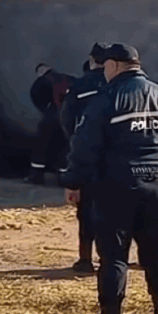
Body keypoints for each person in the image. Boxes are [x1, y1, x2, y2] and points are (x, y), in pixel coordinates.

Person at [58, 43, 158, 314]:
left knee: (114, 257)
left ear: (115, 66)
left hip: (117, 186)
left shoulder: (106, 100)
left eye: (105, 66)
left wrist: (73, 181)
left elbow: (85, 146)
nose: (103, 71)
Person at [59, 43, 108, 273]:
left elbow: (66, 119)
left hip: (88, 156)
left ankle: (85, 259)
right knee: (115, 211)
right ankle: (112, 258)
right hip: (116, 157)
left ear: (91, 59)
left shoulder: (79, 86)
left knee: (86, 211)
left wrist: (75, 142)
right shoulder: (119, 84)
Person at [25, 63, 76, 185]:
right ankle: (62, 177)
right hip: (68, 117)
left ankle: (36, 175)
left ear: (40, 72)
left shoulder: (41, 81)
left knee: (41, 146)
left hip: (52, 116)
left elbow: (35, 96)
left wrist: (46, 110)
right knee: (64, 146)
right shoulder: (67, 78)